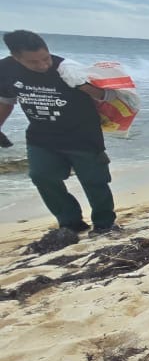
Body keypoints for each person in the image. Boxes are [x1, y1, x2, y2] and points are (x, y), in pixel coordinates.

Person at [0, 29, 120, 235]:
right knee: (41, 176)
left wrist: (84, 86)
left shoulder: (68, 69)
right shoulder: (5, 70)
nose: (43, 65)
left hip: (83, 135)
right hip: (41, 137)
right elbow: (6, 101)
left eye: (45, 58)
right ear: (15, 57)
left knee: (94, 181)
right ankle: (70, 223)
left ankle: (104, 224)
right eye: (33, 62)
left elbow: (109, 95)